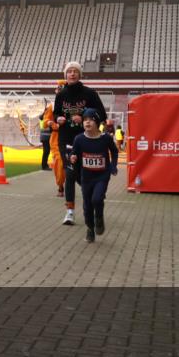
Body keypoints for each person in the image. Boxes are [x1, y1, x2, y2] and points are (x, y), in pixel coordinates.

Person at [53, 61, 107, 226]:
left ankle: (93, 195)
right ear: (65, 75)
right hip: (66, 139)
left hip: (85, 139)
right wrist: (58, 118)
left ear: (80, 74)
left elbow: (102, 114)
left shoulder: (89, 93)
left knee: (82, 173)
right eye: (69, 71)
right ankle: (70, 212)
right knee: (70, 172)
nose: (72, 74)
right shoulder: (61, 95)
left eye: (75, 71)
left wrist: (84, 116)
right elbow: (56, 112)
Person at [70, 108, 119, 243]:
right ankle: (90, 229)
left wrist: (113, 166)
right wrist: (72, 158)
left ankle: (99, 217)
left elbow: (114, 152)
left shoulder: (106, 138)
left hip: (102, 176)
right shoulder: (79, 139)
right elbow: (74, 154)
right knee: (87, 205)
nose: (87, 122)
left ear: (97, 122)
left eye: (91, 119)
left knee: (97, 199)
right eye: (85, 120)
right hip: (86, 177)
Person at [43, 82, 65, 197]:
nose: (59, 90)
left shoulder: (74, 104)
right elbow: (45, 122)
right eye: (58, 89)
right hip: (56, 138)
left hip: (72, 137)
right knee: (59, 162)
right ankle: (60, 185)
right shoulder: (52, 105)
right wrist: (50, 122)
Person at [38, 101, 52, 170]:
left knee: (46, 151)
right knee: (46, 151)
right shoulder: (45, 118)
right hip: (46, 137)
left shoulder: (42, 117)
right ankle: (44, 166)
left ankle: (45, 165)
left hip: (44, 137)